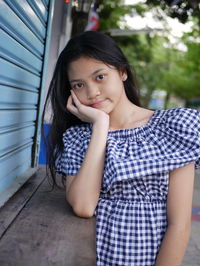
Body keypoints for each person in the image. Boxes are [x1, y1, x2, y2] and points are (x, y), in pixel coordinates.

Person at [43, 31, 200, 266]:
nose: (91, 92)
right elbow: (84, 206)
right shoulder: (77, 137)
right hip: (82, 256)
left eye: (100, 77)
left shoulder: (174, 127)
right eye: (79, 84)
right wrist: (100, 126)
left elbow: (179, 224)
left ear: (123, 72)